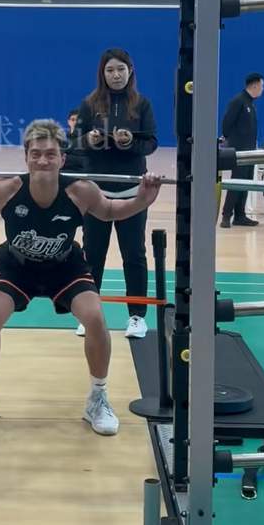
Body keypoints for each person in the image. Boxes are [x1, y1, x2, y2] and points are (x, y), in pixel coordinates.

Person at [0, 119, 161, 436]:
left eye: (50, 154)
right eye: (36, 154)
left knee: (95, 318)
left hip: (65, 265)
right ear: (26, 157)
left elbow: (110, 211)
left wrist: (142, 200)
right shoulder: (6, 189)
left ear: (62, 158)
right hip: (17, 265)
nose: (43, 160)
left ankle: (97, 399)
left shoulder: (80, 191)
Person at [74, 48, 158, 339]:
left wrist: (130, 141)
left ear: (130, 71)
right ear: (102, 73)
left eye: (121, 69)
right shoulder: (89, 104)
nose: (116, 75)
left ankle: (137, 316)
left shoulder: (142, 104)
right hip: (96, 193)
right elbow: (75, 143)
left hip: (132, 193)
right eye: (110, 70)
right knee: (92, 254)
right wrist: (90, 139)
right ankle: (89, 315)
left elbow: (151, 143)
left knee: (134, 254)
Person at [219, 72, 264, 228]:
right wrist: (230, 141)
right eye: (262, 86)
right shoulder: (238, 101)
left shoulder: (250, 103)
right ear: (255, 85)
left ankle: (240, 215)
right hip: (239, 151)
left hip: (250, 151)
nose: (262, 89)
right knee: (236, 182)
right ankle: (226, 215)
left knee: (246, 183)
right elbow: (226, 123)